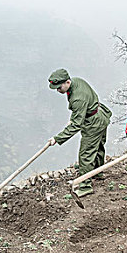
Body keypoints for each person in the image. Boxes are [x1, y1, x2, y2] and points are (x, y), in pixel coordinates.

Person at [47, 68, 112, 197]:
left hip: (93, 122)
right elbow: (80, 112)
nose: (57, 90)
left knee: (86, 154)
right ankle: (97, 172)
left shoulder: (78, 99)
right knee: (98, 146)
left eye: (59, 87)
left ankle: (85, 185)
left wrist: (57, 138)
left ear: (67, 82)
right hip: (100, 115)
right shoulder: (77, 81)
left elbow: (77, 124)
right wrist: (74, 118)